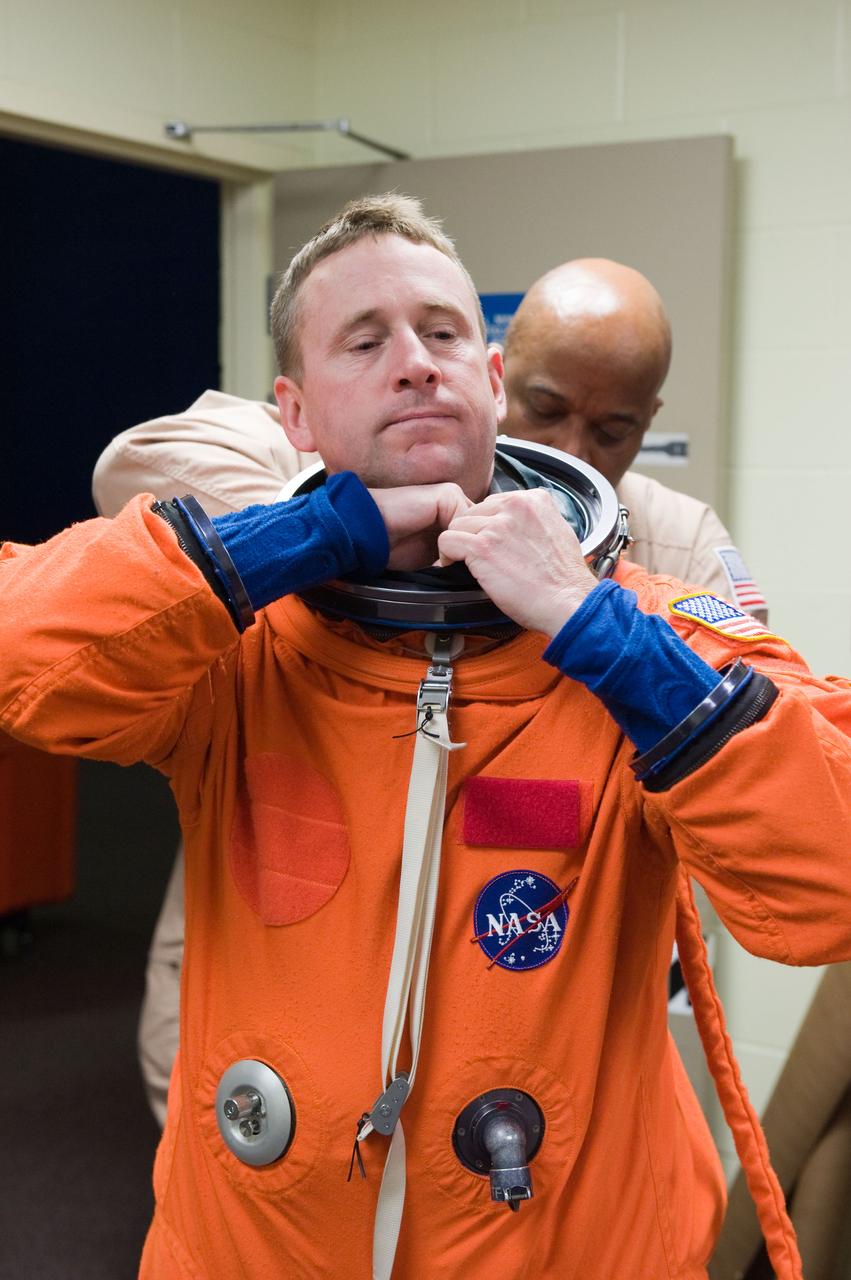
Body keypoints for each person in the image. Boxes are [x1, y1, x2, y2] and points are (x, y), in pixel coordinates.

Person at [2, 194, 848, 1280]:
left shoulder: (648, 623)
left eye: (442, 332)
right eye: (366, 340)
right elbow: (22, 651)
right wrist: (310, 535)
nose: (414, 362)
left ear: (488, 382)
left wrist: (595, 629)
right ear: (293, 416)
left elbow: (827, 873)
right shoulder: (237, 642)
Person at [94, 259, 767, 1127]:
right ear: (494, 375)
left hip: (499, 921)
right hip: (282, 870)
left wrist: (576, 602)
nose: (569, 452)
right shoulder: (334, 453)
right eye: (546, 407)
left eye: (612, 430)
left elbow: (742, 737)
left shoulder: (673, 539)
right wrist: (347, 536)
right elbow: (132, 463)